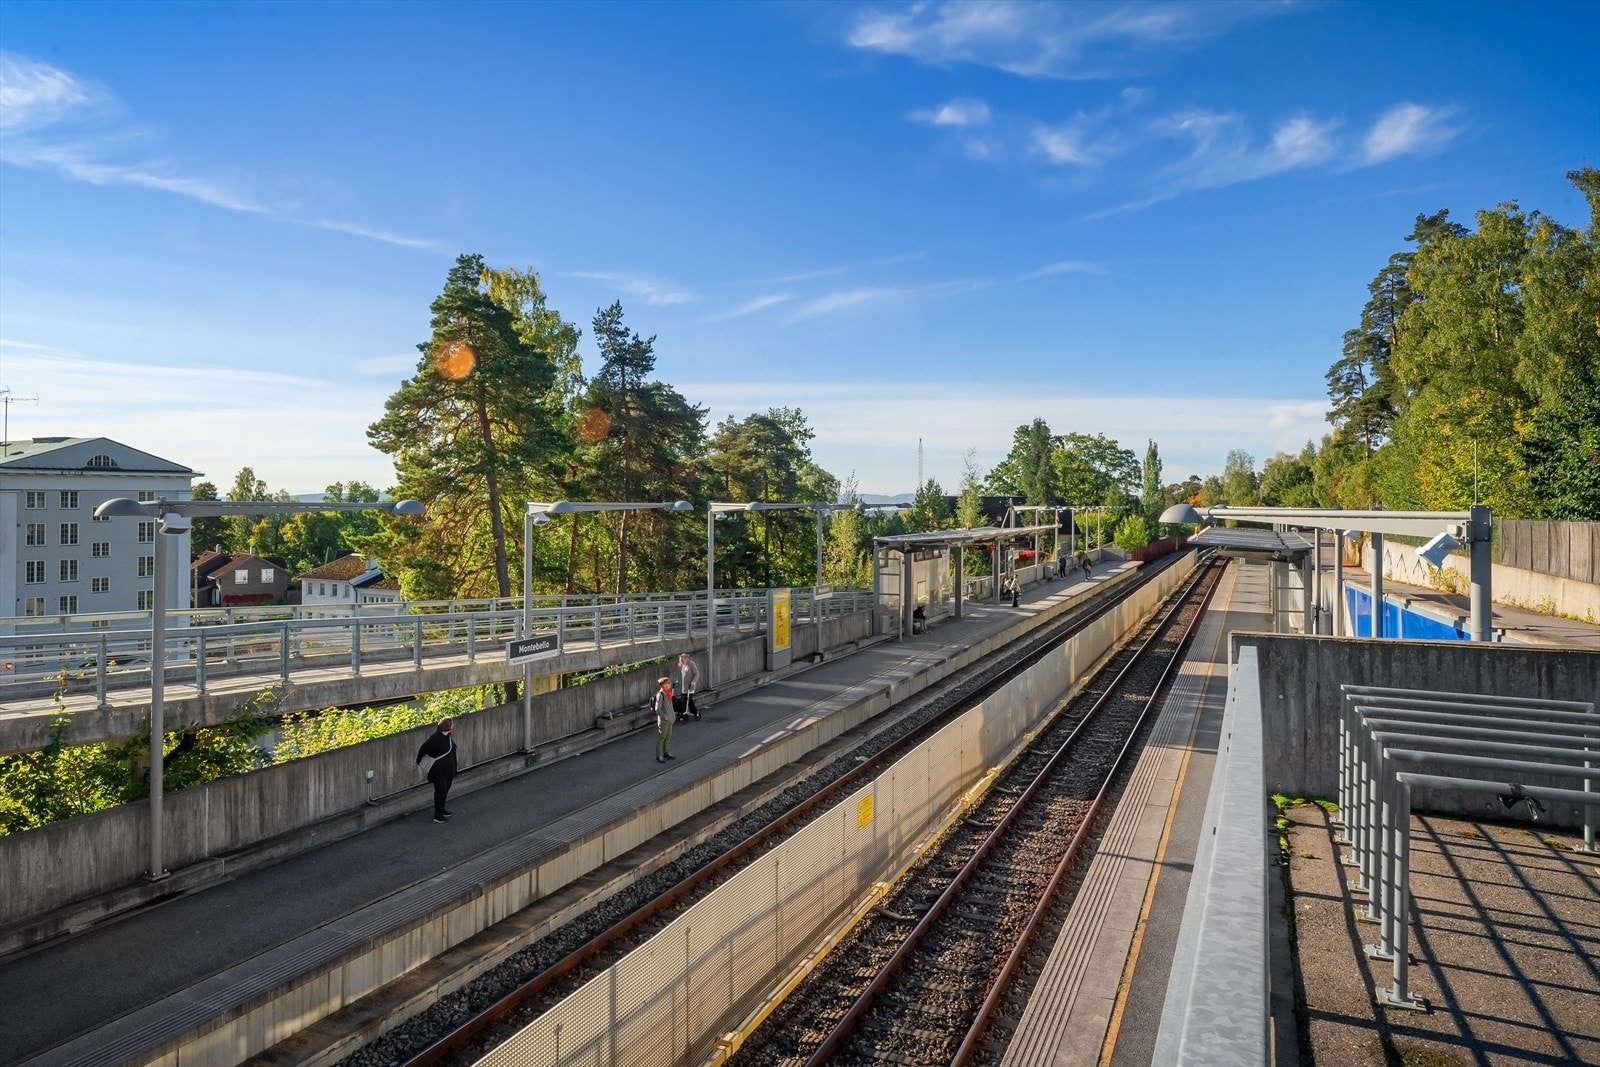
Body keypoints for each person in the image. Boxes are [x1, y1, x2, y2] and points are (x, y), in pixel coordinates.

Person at [415, 717, 458, 824]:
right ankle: (437, 814)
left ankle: (442, 810)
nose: (453, 725)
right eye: (452, 724)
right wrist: (419, 760)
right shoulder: (435, 738)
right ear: (448, 727)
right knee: (440, 792)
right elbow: (423, 749)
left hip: (448, 769)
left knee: (445, 790)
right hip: (439, 772)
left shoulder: (447, 735)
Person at [653, 676, 677, 762]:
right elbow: (657, 709)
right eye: (668, 682)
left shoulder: (668, 693)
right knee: (662, 738)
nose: (670, 684)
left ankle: (666, 752)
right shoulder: (661, 695)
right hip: (664, 721)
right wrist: (665, 717)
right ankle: (659, 755)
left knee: (668, 736)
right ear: (663, 685)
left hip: (669, 719)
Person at [675, 652, 701, 721]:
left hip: (690, 686)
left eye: (682, 660)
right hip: (682, 686)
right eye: (680, 660)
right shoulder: (680, 664)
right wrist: (677, 681)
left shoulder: (691, 664)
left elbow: (697, 674)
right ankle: (682, 712)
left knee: (689, 700)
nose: (681, 661)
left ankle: (695, 712)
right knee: (682, 700)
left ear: (686, 659)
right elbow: (680, 675)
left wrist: (693, 683)